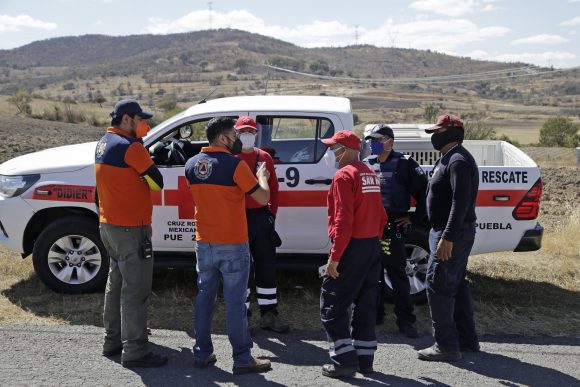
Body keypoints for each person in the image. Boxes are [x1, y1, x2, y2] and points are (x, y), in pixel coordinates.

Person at [185, 116, 272, 375]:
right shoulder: (235, 166)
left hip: (204, 243)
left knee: (204, 299)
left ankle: (201, 352)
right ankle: (242, 358)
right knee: (235, 302)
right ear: (222, 138)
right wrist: (261, 176)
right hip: (233, 243)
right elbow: (262, 198)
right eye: (234, 135)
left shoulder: (191, 164)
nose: (237, 139)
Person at [95, 99, 167, 368]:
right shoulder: (132, 147)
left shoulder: (103, 143)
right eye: (139, 119)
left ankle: (112, 341)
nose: (142, 124)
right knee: (135, 291)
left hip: (109, 225)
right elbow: (157, 182)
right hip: (130, 228)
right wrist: (142, 174)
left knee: (115, 286)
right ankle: (135, 351)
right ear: (127, 119)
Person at [319, 130, 388, 378]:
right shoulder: (369, 173)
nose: (330, 153)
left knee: (332, 304)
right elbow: (381, 215)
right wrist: (373, 242)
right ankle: (364, 359)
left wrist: (335, 257)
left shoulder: (343, 176)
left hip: (352, 247)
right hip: (370, 246)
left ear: (346, 150)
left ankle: (344, 361)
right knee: (365, 304)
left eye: (333, 148)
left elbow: (343, 221)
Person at [417, 114, 480, 362]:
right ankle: (467, 340)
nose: (434, 136)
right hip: (444, 231)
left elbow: (460, 201)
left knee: (438, 285)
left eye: (437, 131)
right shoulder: (448, 158)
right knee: (457, 285)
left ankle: (446, 346)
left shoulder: (458, 161)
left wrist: (448, 237)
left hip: (451, 233)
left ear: (451, 133)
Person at [364, 124, 428, 338]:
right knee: (371, 274)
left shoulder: (405, 164)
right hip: (371, 228)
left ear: (390, 142)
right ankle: (375, 315)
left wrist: (413, 218)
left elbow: (426, 195)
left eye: (378, 139)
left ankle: (406, 322)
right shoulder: (367, 164)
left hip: (393, 228)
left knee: (397, 276)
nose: (372, 143)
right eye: (370, 139)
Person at [234, 116, 290, 334]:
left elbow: (274, 190)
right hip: (238, 219)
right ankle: (243, 317)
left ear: (256, 134)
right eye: (242, 132)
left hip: (261, 219)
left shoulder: (264, 157)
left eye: (250, 131)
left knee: (266, 267)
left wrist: (271, 216)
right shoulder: (231, 157)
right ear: (236, 134)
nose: (246, 135)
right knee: (242, 269)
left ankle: (269, 315)